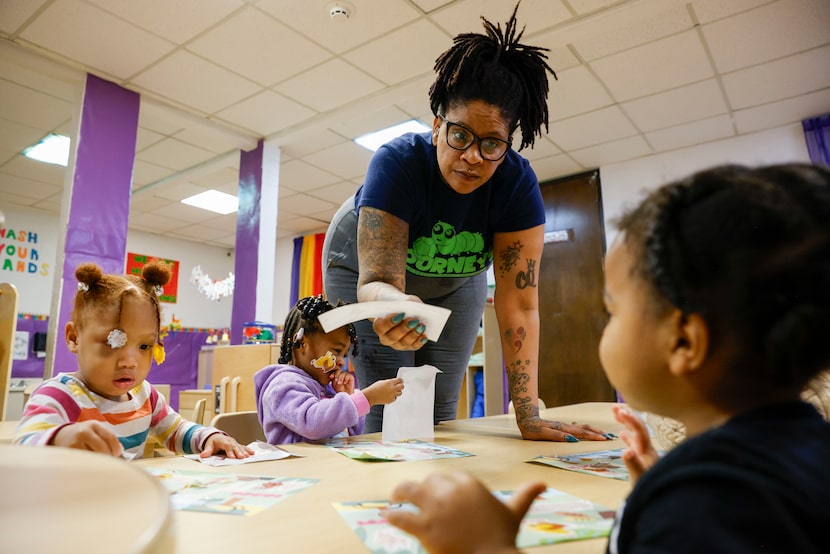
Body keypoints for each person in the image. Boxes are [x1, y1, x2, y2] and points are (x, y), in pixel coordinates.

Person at [383, 163, 830, 553]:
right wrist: (659, 492)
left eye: (613, 310)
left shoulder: (707, 505)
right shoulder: (792, 459)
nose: (607, 322)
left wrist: (486, 547)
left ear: (683, 343)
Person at [322, 2, 608, 441]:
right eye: (460, 135)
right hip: (358, 267)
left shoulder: (516, 185)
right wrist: (389, 304)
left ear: (509, 142)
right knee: (390, 401)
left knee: (438, 406)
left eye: (492, 143)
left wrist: (527, 413)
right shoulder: (397, 163)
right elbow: (376, 279)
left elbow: (521, 305)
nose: (473, 156)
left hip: (457, 278)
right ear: (437, 125)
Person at [14, 261, 253, 460]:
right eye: (113, 341)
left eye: (144, 346)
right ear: (74, 337)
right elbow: (24, 445)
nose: (129, 361)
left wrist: (210, 438)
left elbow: (177, 430)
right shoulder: (59, 395)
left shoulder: (144, 396)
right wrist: (61, 437)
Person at [254, 295, 404, 444]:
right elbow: (313, 424)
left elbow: (349, 435)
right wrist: (368, 398)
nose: (340, 362)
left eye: (344, 355)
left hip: (327, 464)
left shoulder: (326, 388)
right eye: (336, 351)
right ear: (302, 343)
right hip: (296, 466)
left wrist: (345, 395)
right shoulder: (282, 386)